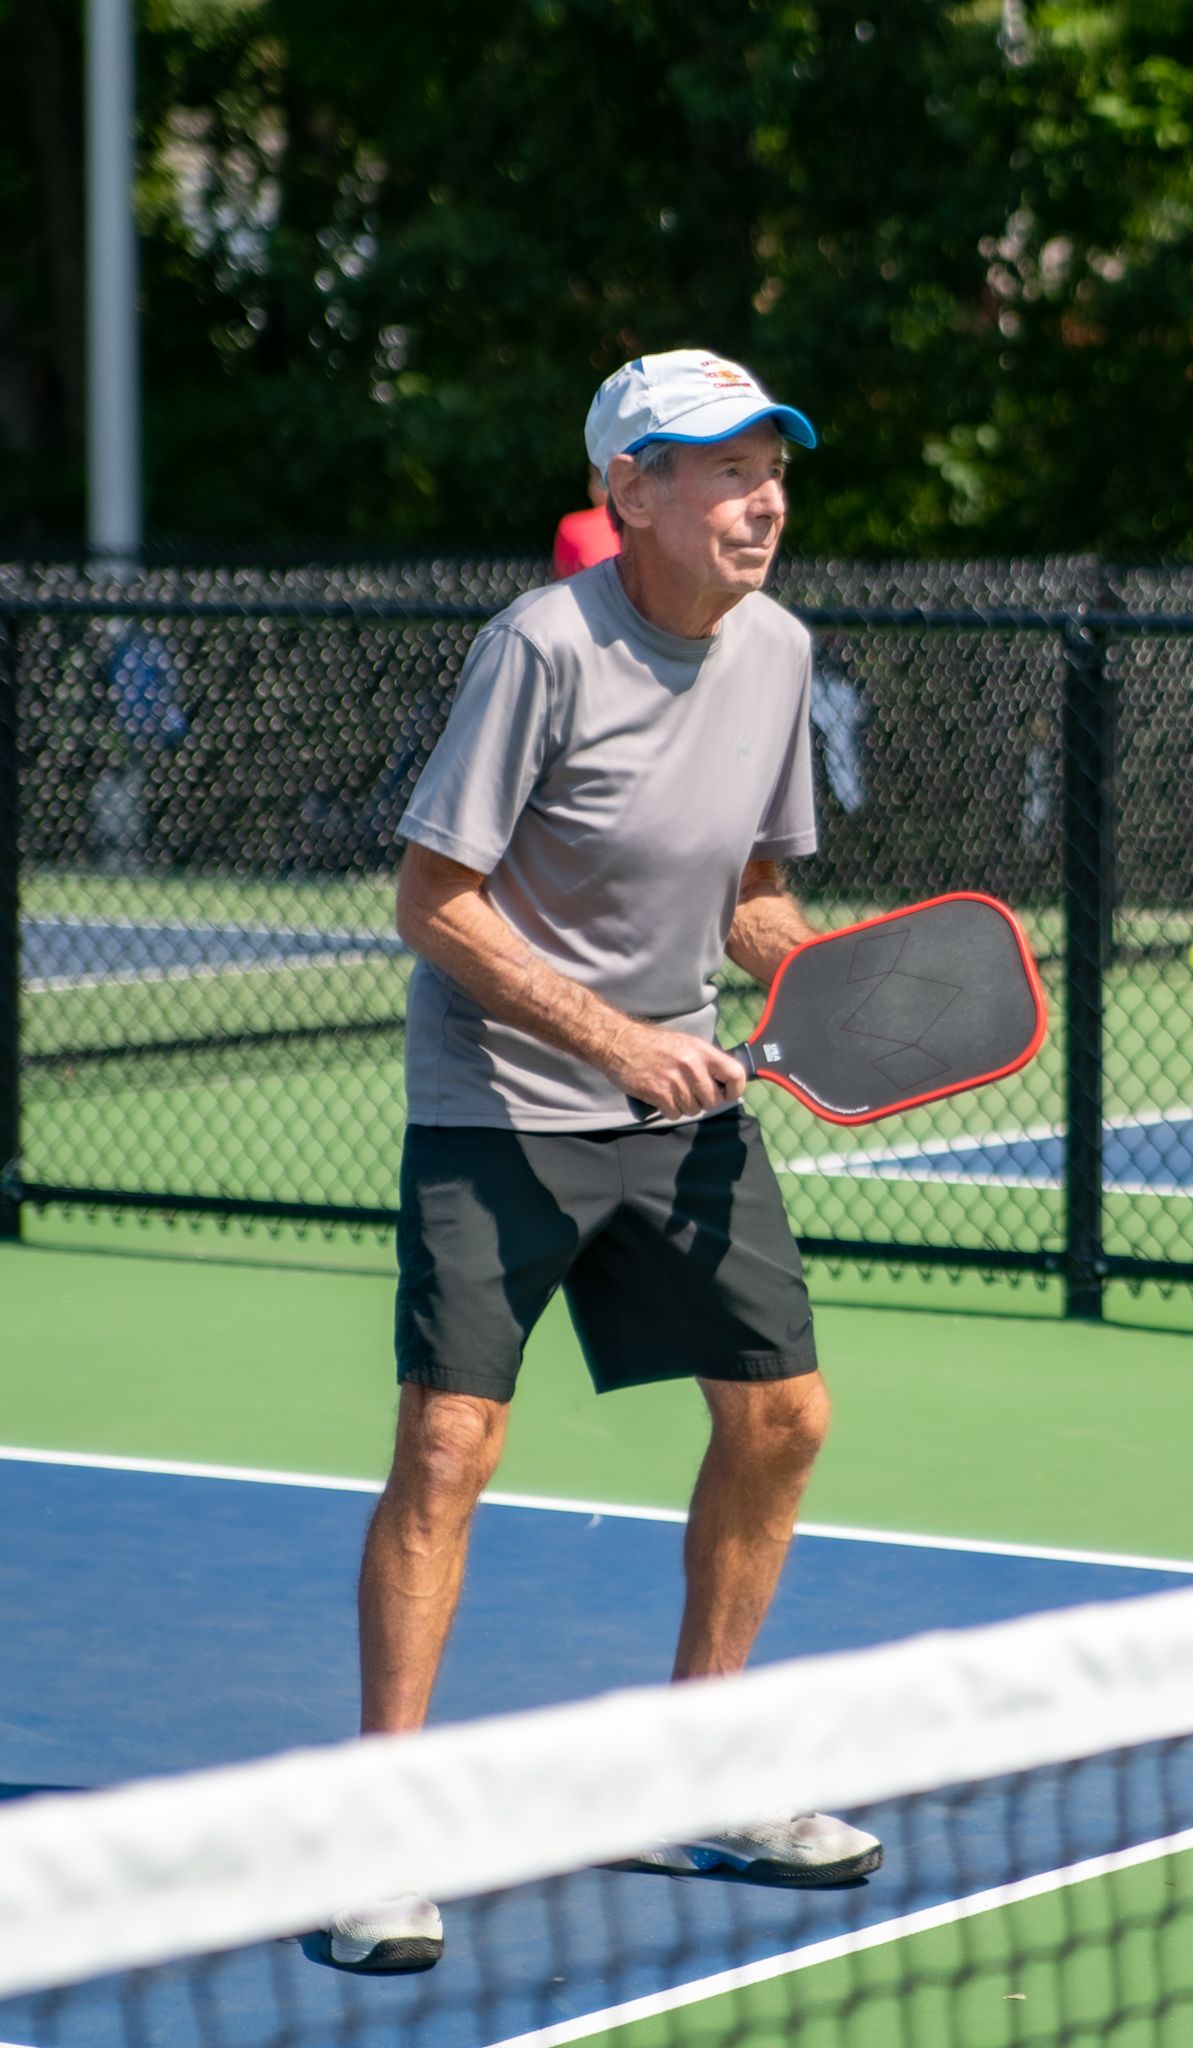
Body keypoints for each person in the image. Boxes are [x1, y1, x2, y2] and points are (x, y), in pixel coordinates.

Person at [326, 350, 882, 1976]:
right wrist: (615, 1039)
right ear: (629, 490)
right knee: (447, 1445)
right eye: (721, 466)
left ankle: (699, 1765)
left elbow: (749, 889)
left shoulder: (776, 650)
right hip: (503, 1101)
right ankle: (377, 1832)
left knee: (782, 1414)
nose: (761, 494)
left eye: (772, 460)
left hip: (680, 1106)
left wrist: (817, 967)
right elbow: (435, 901)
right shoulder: (539, 648)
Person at [550, 466, 620, 578]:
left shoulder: (571, 526)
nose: (588, 490)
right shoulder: (645, 524)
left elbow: (562, 580)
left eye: (591, 480)